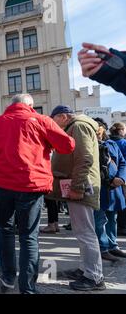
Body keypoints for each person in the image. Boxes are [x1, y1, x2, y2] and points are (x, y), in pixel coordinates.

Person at [0, 95, 75, 294]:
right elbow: (68, 145)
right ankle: (27, 288)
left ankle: (7, 279)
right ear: (30, 106)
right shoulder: (42, 120)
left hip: (2, 185)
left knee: (4, 231)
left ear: (10, 105)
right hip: (31, 185)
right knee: (29, 236)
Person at [49, 105, 105, 291]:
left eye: (54, 120)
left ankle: (94, 277)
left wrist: (78, 186)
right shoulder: (76, 126)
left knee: (86, 232)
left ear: (63, 116)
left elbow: (84, 158)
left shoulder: (78, 126)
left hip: (82, 187)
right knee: (83, 231)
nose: (55, 126)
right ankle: (86, 269)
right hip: (78, 185)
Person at [92, 118, 126, 261]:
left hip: (114, 188)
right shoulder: (90, 145)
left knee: (113, 218)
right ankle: (103, 247)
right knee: (100, 220)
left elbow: (122, 162)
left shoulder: (112, 144)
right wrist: (109, 180)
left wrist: (121, 178)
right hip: (99, 188)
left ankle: (113, 245)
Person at [110, 122, 126, 236]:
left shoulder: (108, 142)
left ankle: (119, 226)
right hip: (123, 176)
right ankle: (123, 226)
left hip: (111, 177)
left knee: (117, 202)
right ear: (121, 130)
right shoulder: (123, 143)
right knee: (123, 202)